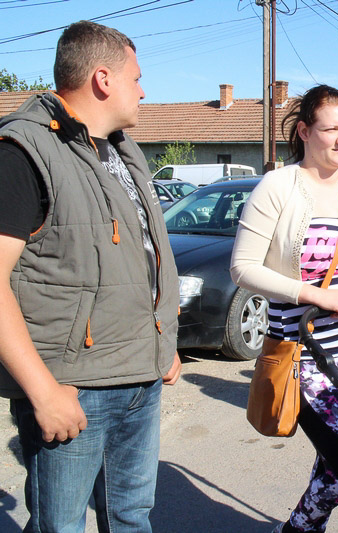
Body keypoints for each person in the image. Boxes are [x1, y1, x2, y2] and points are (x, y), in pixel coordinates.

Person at [0, 21, 181, 531]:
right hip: (74, 388)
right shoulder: (22, 151)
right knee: (60, 526)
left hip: (140, 377)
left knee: (131, 518)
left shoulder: (125, 150)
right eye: (136, 78)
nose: (143, 91)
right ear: (103, 78)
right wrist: (43, 392)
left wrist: (161, 342)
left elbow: (139, 256)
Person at [230, 84, 338, 533]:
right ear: (304, 131)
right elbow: (242, 267)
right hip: (305, 357)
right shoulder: (278, 187)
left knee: (337, 460)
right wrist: (316, 295)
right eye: (331, 129)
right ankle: (297, 528)